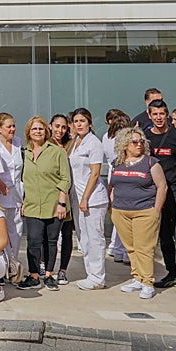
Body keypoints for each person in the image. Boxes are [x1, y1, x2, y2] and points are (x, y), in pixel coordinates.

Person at [109, 127, 167, 299]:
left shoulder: (151, 162)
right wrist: (113, 204)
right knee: (131, 248)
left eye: (141, 141)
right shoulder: (117, 163)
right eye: (134, 142)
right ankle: (137, 278)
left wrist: (156, 209)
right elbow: (112, 185)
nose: (139, 144)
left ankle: (148, 282)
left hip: (144, 211)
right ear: (124, 144)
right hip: (121, 211)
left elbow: (162, 187)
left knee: (145, 248)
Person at [18, 116, 71, 291]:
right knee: (33, 240)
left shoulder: (57, 152)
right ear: (28, 132)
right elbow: (22, 179)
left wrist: (62, 203)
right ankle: (33, 275)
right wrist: (23, 201)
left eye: (40, 129)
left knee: (51, 241)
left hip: (54, 203)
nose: (38, 132)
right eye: (34, 129)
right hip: (32, 203)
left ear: (46, 131)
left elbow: (65, 179)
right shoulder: (23, 152)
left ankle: (48, 275)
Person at [141, 98, 176, 290]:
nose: (159, 118)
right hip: (154, 192)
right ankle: (172, 272)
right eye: (155, 114)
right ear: (149, 115)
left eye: (162, 114)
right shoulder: (144, 137)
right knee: (164, 236)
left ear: (167, 115)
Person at [68, 108, 108, 290]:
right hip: (78, 197)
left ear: (89, 123)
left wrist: (85, 198)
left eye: (82, 121)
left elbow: (95, 173)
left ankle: (98, 277)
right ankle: (90, 273)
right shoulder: (77, 141)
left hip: (92, 198)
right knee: (84, 238)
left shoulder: (94, 143)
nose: (79, 124)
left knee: (95, 237)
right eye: (76, 121)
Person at [0, 112, 23, 262]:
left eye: (14, 126)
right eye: (9, 126)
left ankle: (14, 260)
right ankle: (4, 261)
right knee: (1, 229)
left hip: (16, 192)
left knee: (16, 228)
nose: (13, 129)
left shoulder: (18, 142)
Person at [47, 113, 76, 285]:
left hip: (68, 196)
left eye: (63, 127)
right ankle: (45, 265)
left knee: (66, 233)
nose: (60, 130)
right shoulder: (44, 144)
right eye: (57, 126)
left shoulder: (71, 145)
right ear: (50, 126)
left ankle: (63, 270)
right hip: (50, 195)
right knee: (48, 234)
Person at [103, 108, 132, 265]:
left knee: (118, 215)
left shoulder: (106, 137)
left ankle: (117, 248)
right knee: (125, 215)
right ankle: (124, 250)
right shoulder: (122, 141)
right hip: (123, 176)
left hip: (113, 176)